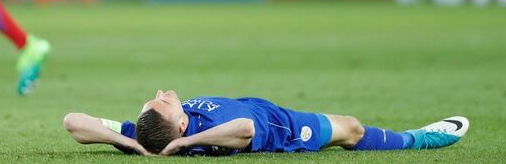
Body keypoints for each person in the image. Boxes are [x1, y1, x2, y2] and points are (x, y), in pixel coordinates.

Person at [64, 89, 469, 156]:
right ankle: (420, 140)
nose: (163, 93)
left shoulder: (147, 134)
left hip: (263, 107)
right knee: (352, 128)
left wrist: (130, 144)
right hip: (284, 127)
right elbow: (247, 130)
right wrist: (186, 146)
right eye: (163, 103)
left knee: (350, 126)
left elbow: (73, 121)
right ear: (182, 128)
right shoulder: (199, 138)